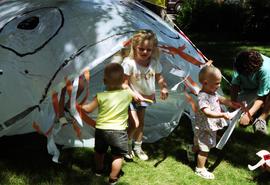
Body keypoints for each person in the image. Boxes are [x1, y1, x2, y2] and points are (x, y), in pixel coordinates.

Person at [81, 63, 145, 184]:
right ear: (123, 80)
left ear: (104, 81)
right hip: (119, 132)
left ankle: (99, 170)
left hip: (101, 130)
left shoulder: (100, 96)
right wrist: (136, 95)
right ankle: (113, 177)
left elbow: (88, 109)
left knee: (99, 152)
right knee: (117, 156)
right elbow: (136, 98)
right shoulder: (127, 95)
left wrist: (79, 106)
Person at [121, 29, 169, 161]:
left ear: (153, 49)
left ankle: (138, 147)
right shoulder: (129, 63)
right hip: (130, 97)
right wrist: (133, 94)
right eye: (141, 49)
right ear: (135, 47)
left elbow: (159, 78)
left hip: (145, 98)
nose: (145, 52)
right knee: (134, 124)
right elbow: (123, 84)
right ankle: (125, 146)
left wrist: (163, 87)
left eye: (148, 50)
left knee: (140, 123)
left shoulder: (153, 63)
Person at [188, 65, 241, 179]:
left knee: (199, 144)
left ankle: (191, 150)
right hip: (204, 128)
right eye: (217, 83)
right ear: (206, 83)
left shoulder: (212, 92)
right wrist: (222, 114)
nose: (219, 85)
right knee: (205, 149)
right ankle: (200, 169)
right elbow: (207, 112)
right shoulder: (202, 96)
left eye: (219, 82)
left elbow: (220, 99)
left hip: (209, 127)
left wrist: (231, 103)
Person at [231, 50, 270, 135]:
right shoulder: (239, 62)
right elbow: (235, 86)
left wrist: (248, 114)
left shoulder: (266, 70)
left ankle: (261, 119)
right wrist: (233, 105)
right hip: (251, 89)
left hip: (266, 88)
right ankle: (257, 109)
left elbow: (262, 96)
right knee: (237, 112)